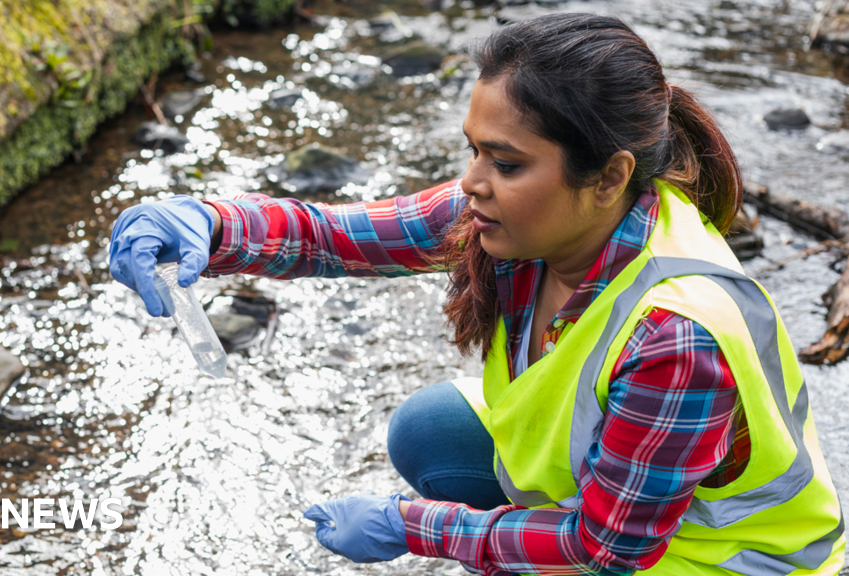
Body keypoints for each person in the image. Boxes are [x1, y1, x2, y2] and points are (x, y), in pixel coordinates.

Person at [109, 13, 846, 575]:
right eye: (473, 149)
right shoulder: (519, 219)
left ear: (610, 177)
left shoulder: (677, 338)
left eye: (506, 161)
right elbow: (335, 237)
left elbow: (603, 550)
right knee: (430, 427)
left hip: (717, 563)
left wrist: (415, 527)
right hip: (626, 514)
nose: (472, 181)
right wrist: (208, 224)